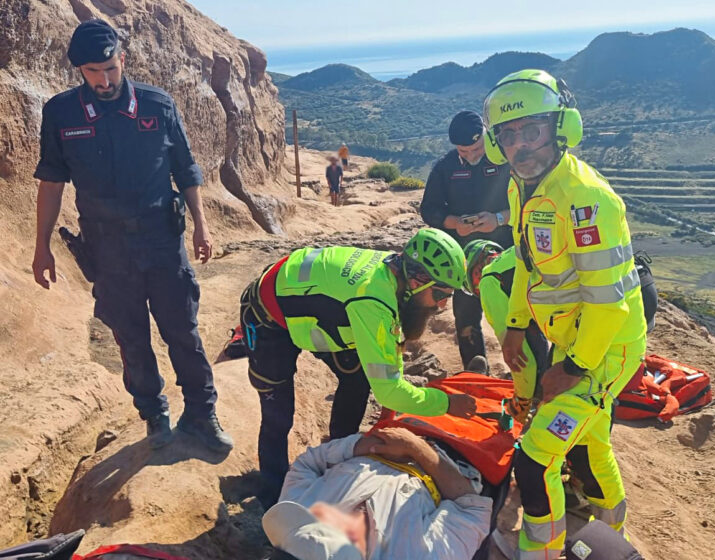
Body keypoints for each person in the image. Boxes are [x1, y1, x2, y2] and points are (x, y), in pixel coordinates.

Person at [31, 19, 232, 452]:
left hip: (163, 241)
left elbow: (186, 168)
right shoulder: (61, 113)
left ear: (123, 59)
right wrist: (41, 246)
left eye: (110, 68)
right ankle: (155, 416)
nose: (103, 80)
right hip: (107, 249)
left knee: (183, 330)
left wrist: (201, 223)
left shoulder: (158, 105)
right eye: (92, 72)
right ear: (79, 71)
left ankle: (202, 414)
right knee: (130, 336)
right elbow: (51, 182)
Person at [482, 69, 646, 558]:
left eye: (530, 131)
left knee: (534, 461)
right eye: (508, 136)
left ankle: (542, 552)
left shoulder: (587, 200)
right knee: (591, 442)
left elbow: (608, 301)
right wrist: (515, 326)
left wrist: (571, 368)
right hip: (574, 339)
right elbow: (528, 266)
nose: (519, 146)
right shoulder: (522, 188)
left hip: (604, 347)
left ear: (559, 129)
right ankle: (613, 532)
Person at [239, 228, 477, 507]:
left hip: (315, 304)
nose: (442, 304)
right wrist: (447, 403)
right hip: (267, 312)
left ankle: (339, 454)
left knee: (357, 380)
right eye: (439, 293)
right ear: (417, 280)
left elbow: (392, 344)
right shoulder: (373, 300)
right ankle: (273, 494)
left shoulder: (393, 273)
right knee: (279, 413)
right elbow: (388, 391)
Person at [262, 427, 492, 560]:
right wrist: (417, 449)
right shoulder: (416, 554)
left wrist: (367, 446)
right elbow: (472, 509)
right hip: (457, 456)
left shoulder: (297, 507)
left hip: (392, 433)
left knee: (440, 391)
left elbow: (309, 463)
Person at [420, 110, 512, 370]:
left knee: (516, 316)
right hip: (465, 258)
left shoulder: (507, 158)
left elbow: (532, 203)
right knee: (466, 317)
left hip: (506, 253)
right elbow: (430, 209)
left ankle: (530, 381)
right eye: (464, 151)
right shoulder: (446, 167)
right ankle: (477, 375)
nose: (472, 156)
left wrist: (499, 218)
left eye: (477, 148)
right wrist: (454, 224)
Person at [462, 240, 548, 423]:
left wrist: (521, 402)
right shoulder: (512, 254)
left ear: (474, 271)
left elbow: (518, 355)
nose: (477, 290)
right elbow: (535, 338)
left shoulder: (488, 281)